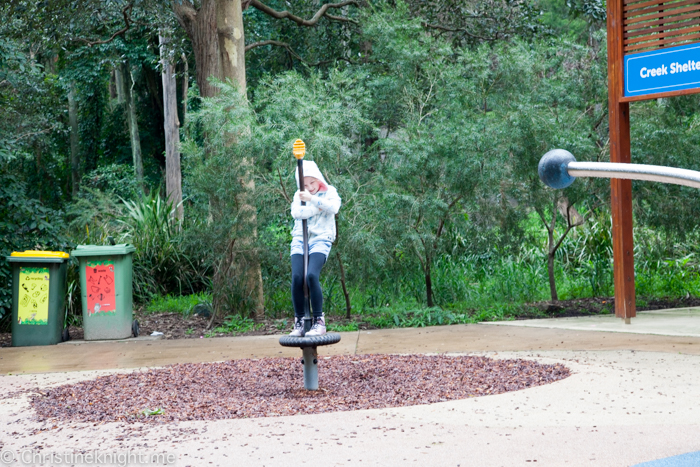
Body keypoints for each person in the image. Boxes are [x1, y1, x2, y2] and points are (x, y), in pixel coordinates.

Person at [289, 160, 341, 337]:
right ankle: (300, 321)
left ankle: (319, 320)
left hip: (321, 239)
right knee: (297, 278)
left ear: (318, 178)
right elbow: (296, 213)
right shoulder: (298, 195)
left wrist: (312, 200)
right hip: (299, 240)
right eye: (305, 184)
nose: (309, 187)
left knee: (311, 275)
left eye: (312, 182)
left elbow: (334, 207)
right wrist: (318, 208)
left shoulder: (329, 191)